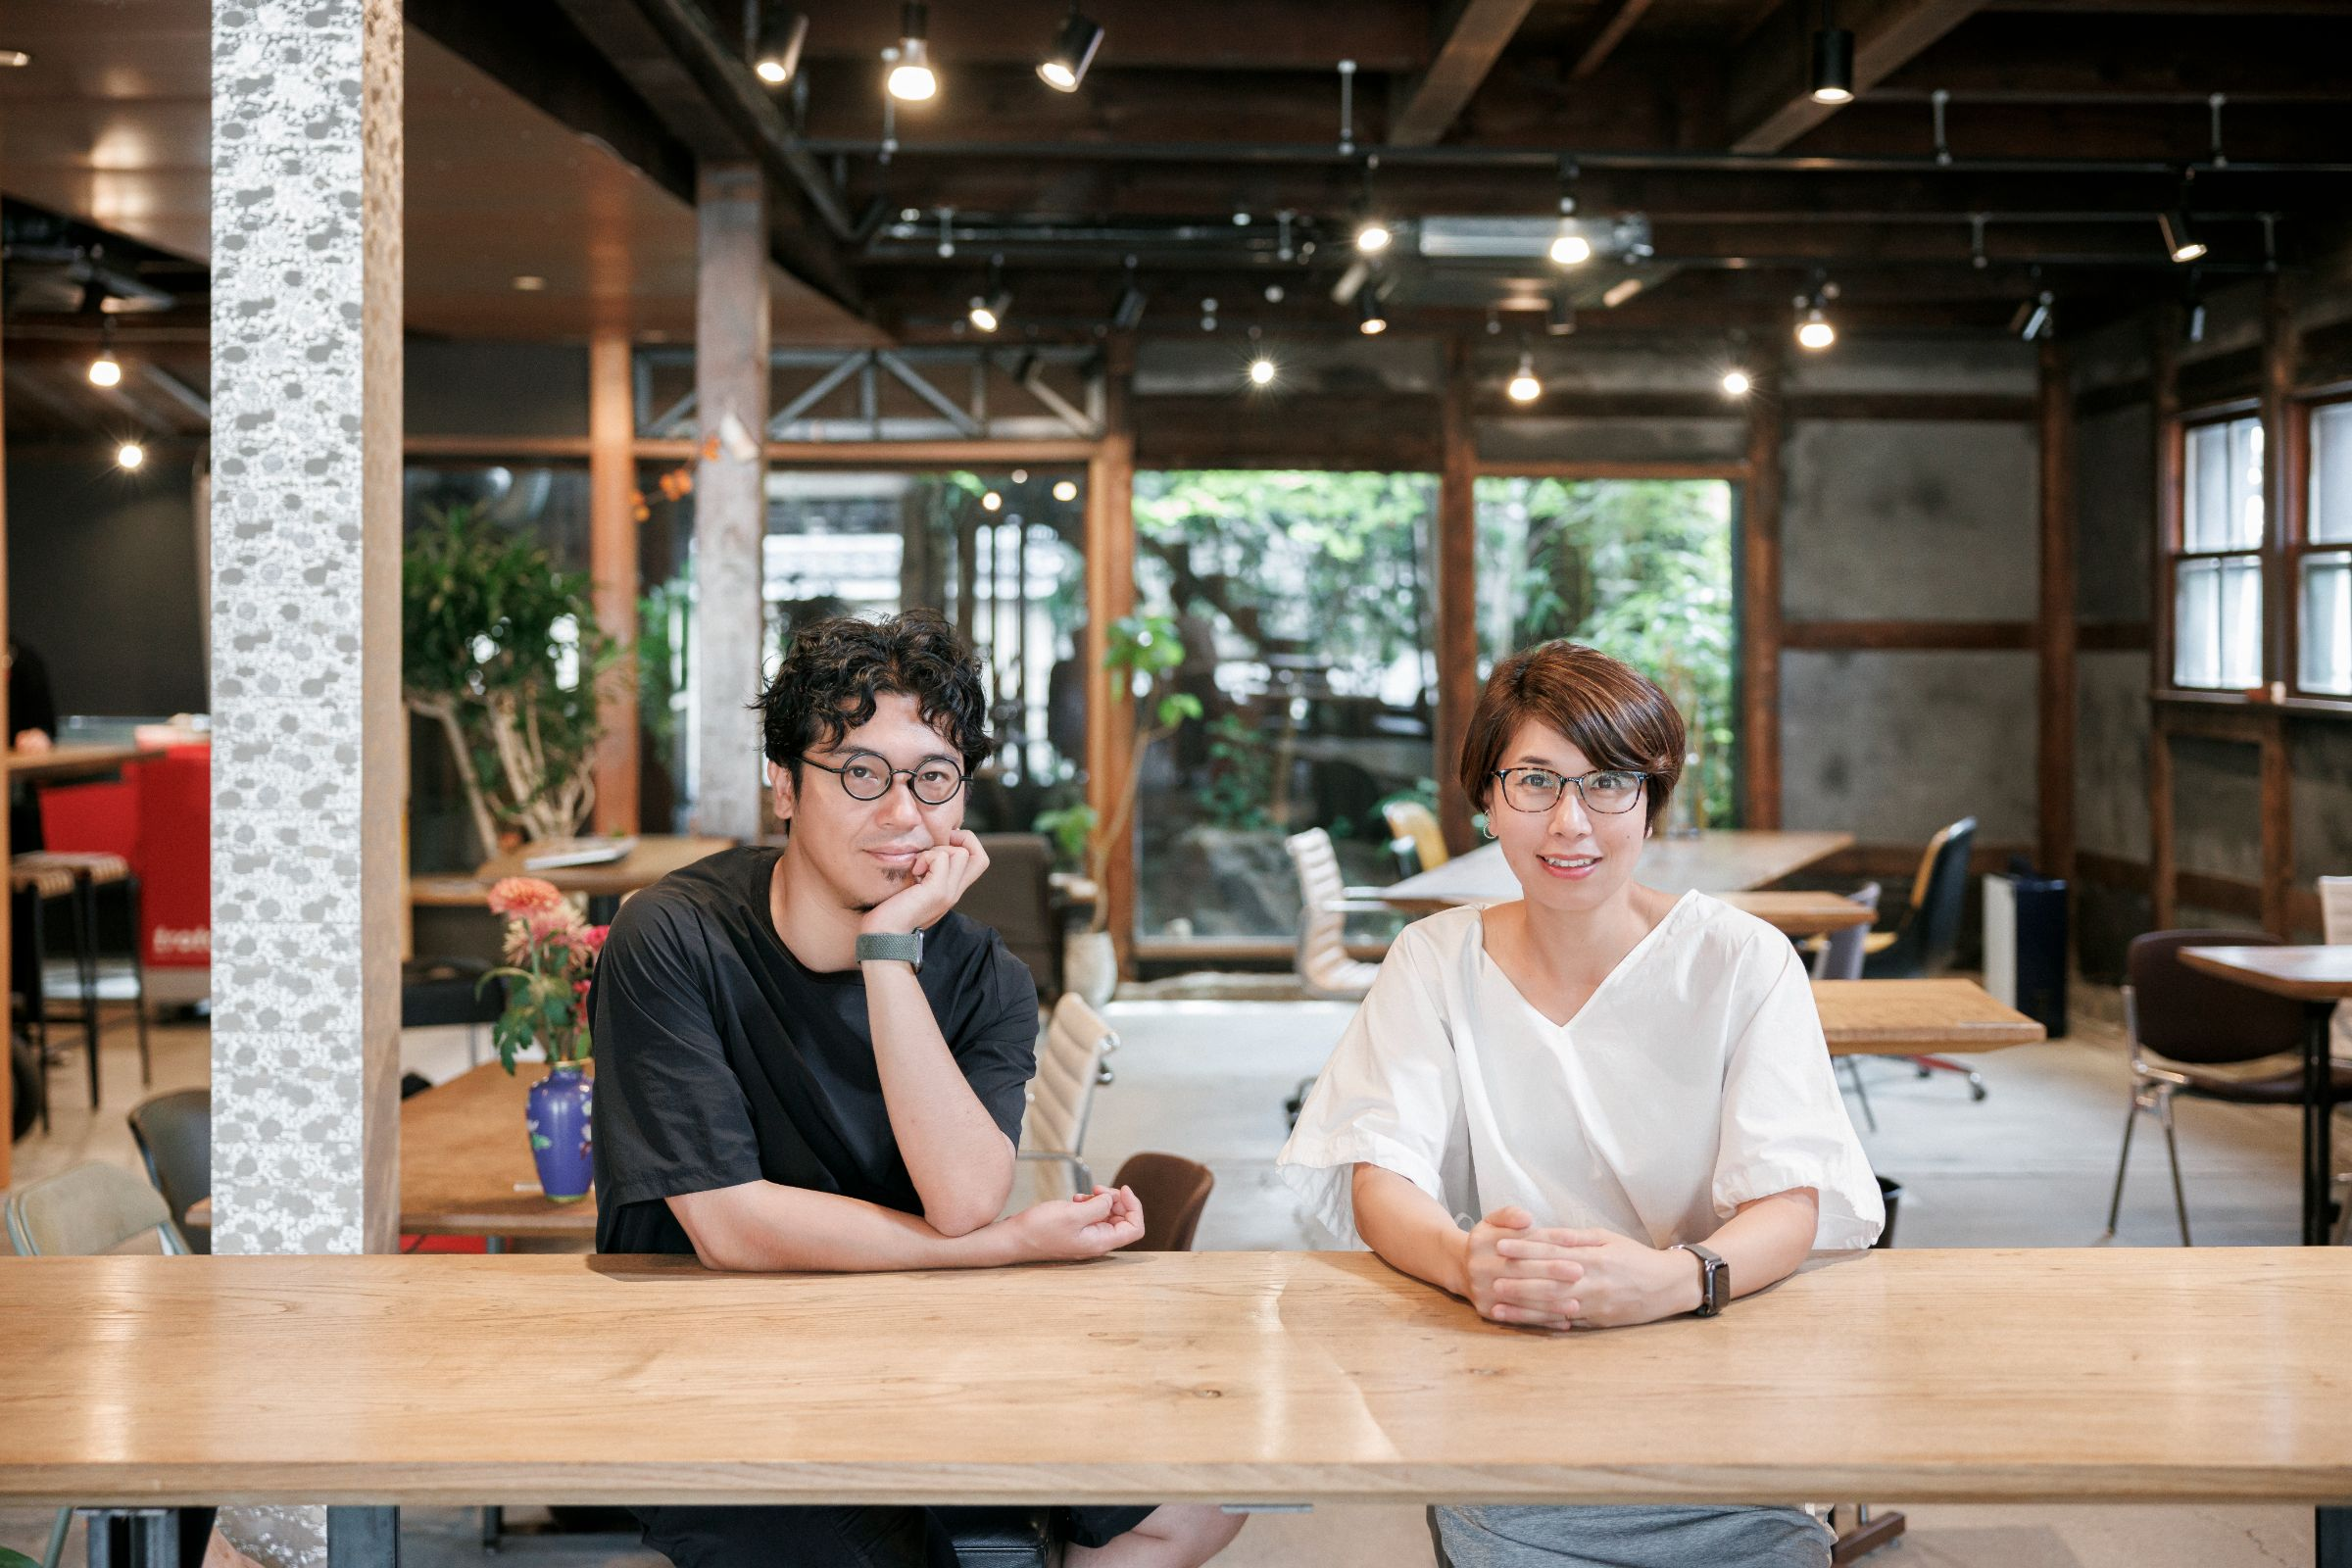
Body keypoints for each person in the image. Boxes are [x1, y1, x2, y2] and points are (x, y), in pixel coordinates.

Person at [590, 610, 1243, 1568]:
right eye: (860, 773)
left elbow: (964, 1198)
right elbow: (731, 1228)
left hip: (915, 1342)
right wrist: (1003, 1248)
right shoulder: (673, 937)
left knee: (1202, 1494)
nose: (902, 814)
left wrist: (889, 952)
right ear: (784, 784)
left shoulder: (985, 977)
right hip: (710, 1369)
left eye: (934, 778)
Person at [1277, 639, 1883, 1568]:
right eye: (1535, 782)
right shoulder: (1434, 961)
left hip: (1721, 1401)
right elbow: (1378, 1174)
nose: (1571, 823)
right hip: (1512, 1399)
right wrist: (1467, 1263)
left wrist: (1677, 1279)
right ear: (1487, 800)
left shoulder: (1741, 960)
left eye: (1608, 783)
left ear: (1650, 801)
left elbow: (1791, 1199)